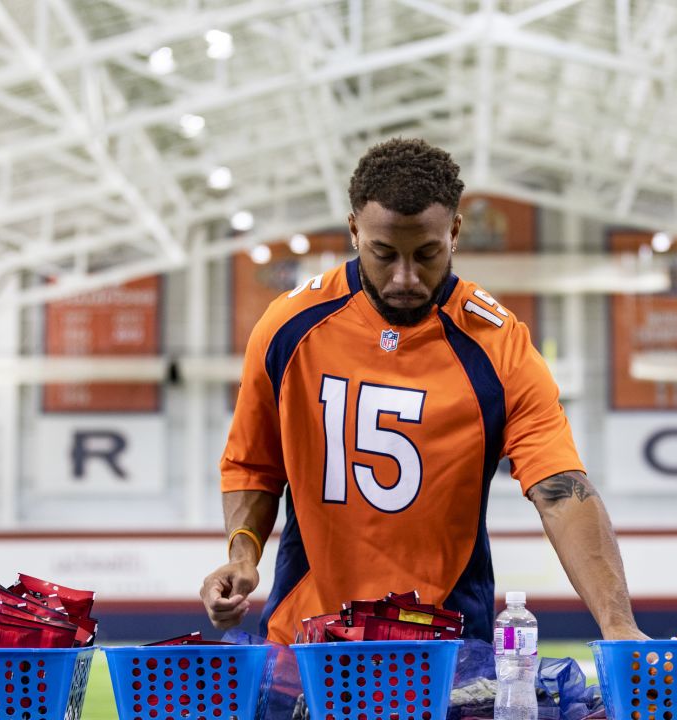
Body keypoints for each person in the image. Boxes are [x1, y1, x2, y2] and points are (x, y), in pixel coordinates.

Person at [201, 137, 648, 644]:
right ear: (354, 230)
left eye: (428, 253)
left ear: (454, 232)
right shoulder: (288, 327)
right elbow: (252, 463)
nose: (405, 278)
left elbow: (562, 491)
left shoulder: (501, 348)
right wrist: (242, 555)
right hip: (305, 643)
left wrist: (618, 623)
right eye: (384, 253)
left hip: (446, 652)